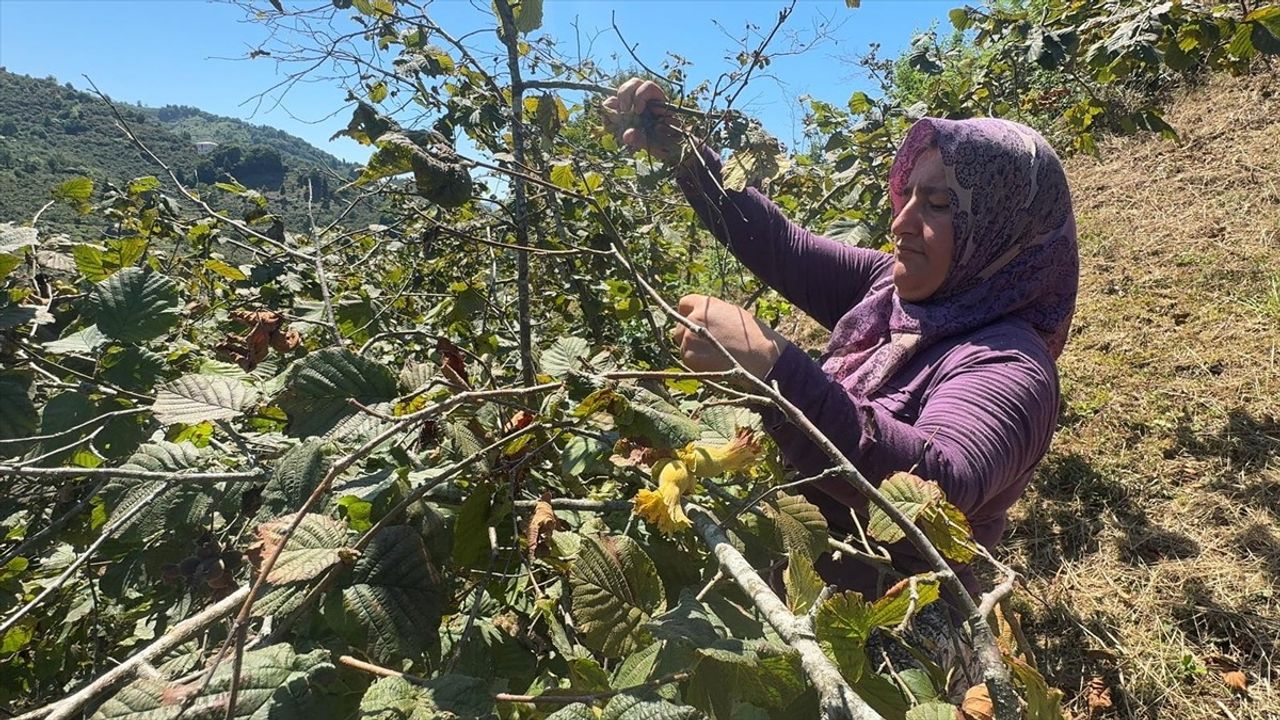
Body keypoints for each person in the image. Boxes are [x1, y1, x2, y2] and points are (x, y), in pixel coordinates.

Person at [602, 79, 1079, 604]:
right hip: (803, 569)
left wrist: (774, 369)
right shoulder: (890, 289)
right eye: (908, 195)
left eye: (938, 203)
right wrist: (683, 150)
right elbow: (781, 246)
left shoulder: (1009, 363)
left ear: (999, 228)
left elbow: (944, 486)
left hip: (889, 613)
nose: (900, 222)